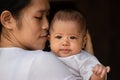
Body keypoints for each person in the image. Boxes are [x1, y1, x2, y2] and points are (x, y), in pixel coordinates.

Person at [0, 0, 80, 80]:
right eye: (38, 17)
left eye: (47, 16)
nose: (46, 25)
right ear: (8, 20)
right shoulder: (39, 60)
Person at [48, 9, 110, 80]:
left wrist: (98, 74)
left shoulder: (82, 59)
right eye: (59, 37)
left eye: (72, 37)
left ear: (83, 43)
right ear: (50, 40)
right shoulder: (45, 57)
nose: (65, 43)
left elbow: (92, 74)